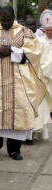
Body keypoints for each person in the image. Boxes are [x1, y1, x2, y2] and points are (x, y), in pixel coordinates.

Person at [0, 6, 47, 160]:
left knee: (19, 113)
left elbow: (34, 53)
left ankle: (14, 150)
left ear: (14, 17)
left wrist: (12, 51)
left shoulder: (26, 33)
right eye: (3, 20)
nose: (5, 23)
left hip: (19, 82)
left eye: (8, 20)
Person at [34, 10, 52, 139]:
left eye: (51, 30)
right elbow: (36, 59)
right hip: (43, 79)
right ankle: (41, 130)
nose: (50, 32)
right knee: (44, 106)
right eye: (47, 30)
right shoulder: (39, 41)